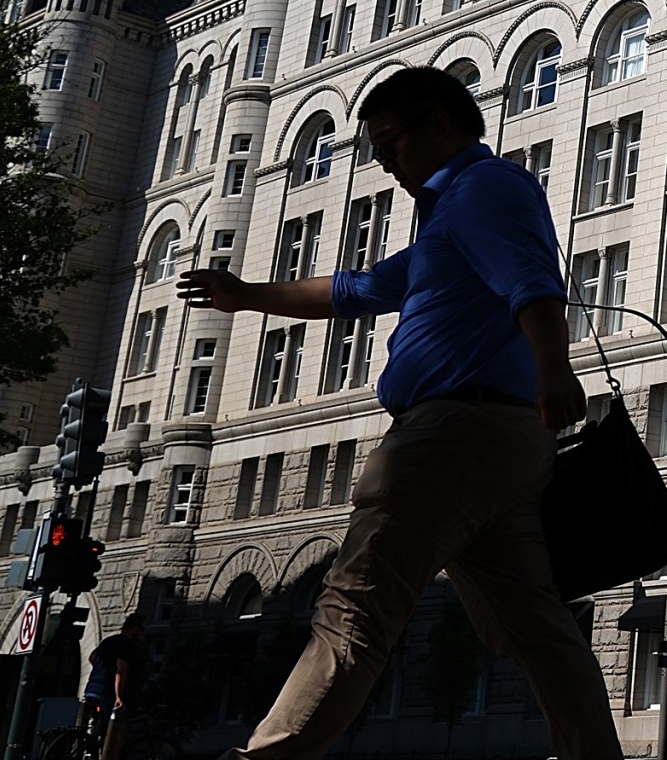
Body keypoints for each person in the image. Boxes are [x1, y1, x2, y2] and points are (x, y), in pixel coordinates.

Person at [180, 66, 622, 759]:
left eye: (390, 143)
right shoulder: (449, 218)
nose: (383, 162)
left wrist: (554, 367)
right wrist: (247, 295)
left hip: (452, 437)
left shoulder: (483, 188)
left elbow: (532, 280)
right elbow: (355, 289)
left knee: (354, 608)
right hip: (492, 444)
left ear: (439, 125)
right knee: (534, 629)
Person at [82, 612, 147, 759]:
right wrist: (119, 697)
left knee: (98, 726)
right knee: (117, 729)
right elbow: (120, 671)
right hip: (106, 691)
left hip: (92, 688)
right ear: (136, 628)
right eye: (142, 630)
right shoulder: (127, 645)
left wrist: (101, 670)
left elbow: (92, 657)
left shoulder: (109, 640)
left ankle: (90, 750)